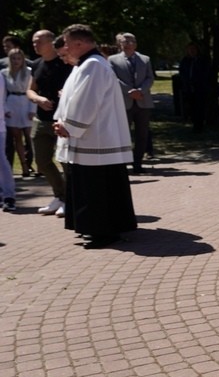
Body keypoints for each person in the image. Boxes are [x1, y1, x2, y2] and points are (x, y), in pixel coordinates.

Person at [53, 25, 138, 248]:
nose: (65, 48)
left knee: (96, 187)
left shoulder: (94, 65)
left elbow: (86, 102)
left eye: (67, 43)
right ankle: (96, 228)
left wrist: (69, 126)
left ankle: (103, 231)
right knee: (94, 185)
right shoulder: (86, 64)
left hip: (96, 138)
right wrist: (61, 121)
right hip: (91, 137)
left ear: (79, 43)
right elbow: (72, 98)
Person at [26, 30, 70, 215]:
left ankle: (70, 199)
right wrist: (38, 99)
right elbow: (30, 90)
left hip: (62, 120)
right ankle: (60, 196)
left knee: (66, 162)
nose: (35, 45)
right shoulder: (36, 64)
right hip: (41, 120)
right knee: (42, 162)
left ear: (51, 42)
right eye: (33, 42)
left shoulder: (65, 62)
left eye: (39, 42)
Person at [107, 33, 154, 174]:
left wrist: (140, 91)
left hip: (143, 102)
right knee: (123, 134)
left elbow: (150, 78)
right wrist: (129, 91)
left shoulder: (145, 59)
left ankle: (137, 163)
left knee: (142, 135)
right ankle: (122, 164)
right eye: (124, 41)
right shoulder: (112, 60)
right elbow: (113, 78)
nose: (127, 44)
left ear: (135, 44)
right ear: (119, 44)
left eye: (130, 41)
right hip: (123, 102)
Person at [4, 49, 35, 177]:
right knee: (17, 137)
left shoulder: (29, 71)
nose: (16, 61)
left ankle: (35, 163)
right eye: (13, 58)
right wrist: (5, 109)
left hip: (26, 102)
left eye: (18, 58)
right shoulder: (4, 73)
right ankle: (24, 166)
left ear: (22, 60)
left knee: (30, 136)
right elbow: (2, 93)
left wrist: (32, 109)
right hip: (12, 103)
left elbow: (34, 89)